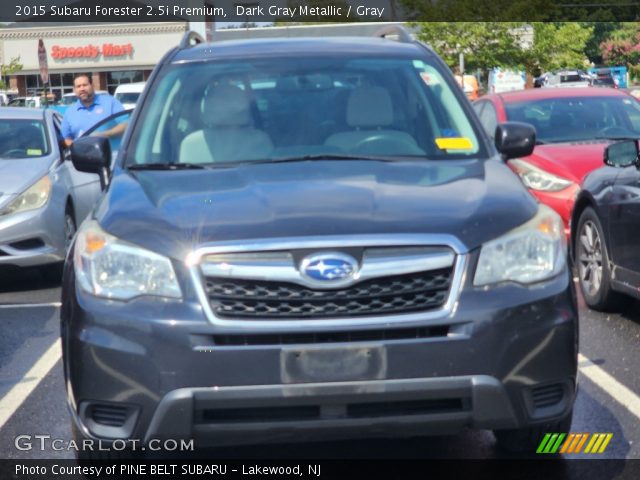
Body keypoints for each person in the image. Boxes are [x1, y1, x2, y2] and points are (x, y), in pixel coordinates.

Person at [61, 73, 124, 147]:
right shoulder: (69, 112)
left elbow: (125, 125)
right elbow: (65, 139)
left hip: (113, 155)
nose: (82, 89)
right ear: (74, 90)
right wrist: (79, 146)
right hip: (83, 157)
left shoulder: (110, 102)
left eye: (85, 85)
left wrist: (105, 134)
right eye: (78, 86)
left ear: (92, 86)